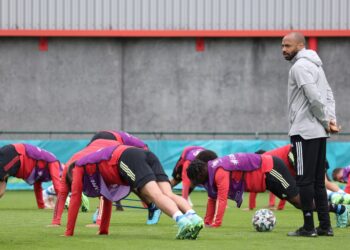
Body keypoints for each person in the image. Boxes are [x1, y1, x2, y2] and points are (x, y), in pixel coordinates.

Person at [64, 144, 204, 239]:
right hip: (143, 154)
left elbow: (75, 197)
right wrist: (103, 230)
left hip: (125, 158)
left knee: (155, 195)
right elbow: (107, 197)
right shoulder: (94, 167)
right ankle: (194, 217)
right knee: (168, 193)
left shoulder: (79, 167)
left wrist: (68, 232)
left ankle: (182, 222)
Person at [186, 152, 347, 228]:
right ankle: (339, 209)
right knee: (299, 202)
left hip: (270, 168)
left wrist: (216, 224)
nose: (196, 183)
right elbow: (211, 198)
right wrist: (207, 221)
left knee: (298, 200)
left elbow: (221, 198)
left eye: (195, 180)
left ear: (200, 173)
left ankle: (338, 208)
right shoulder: (209, 174)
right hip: (266, 179)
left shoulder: (219, 171)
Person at [282, 31, 340, 237]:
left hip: (304, 131)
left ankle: (308, 227)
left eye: (287, 46)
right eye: (282, 46)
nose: (283, 50)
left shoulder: (299, 67)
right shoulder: (317, 65)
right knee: (317, 181)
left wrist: (326, 120)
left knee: (304, 181)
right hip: (319, 132)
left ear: (299, 45)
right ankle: (325, 226)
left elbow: (314, 97)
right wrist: (330, 120)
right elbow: (328, 94)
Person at [89, 130, 161, 225]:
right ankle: (101, 210)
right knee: (111, 178)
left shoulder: (111, 144)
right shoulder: (96, 145)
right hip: (126, 153)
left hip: (140, 153)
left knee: (132, 182)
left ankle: (153, 206)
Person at [0, 143, 62, 209]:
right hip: (16, 153)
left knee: (1, 192)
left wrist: (41, 206)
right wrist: (65, 201)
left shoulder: (43, 171)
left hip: (15, 157)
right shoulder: (54, 163)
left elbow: (37, 185)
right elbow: (57, 185)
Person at [246, 146, 294, 211]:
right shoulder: (274, 157)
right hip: (279, 168)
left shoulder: (264, 162)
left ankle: (275, 206)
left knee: (284, 185)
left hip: (276, 168)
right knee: (284, 186)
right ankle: (275, 205)